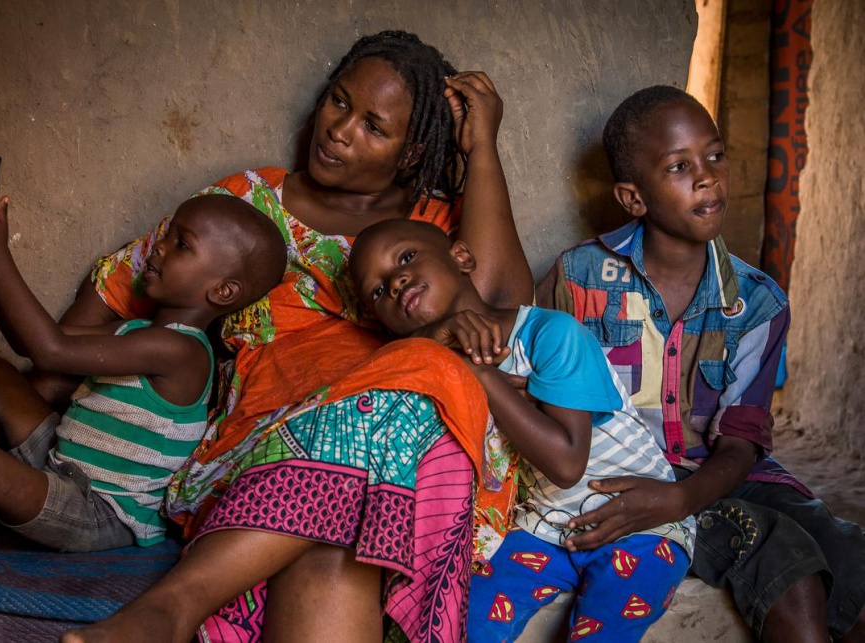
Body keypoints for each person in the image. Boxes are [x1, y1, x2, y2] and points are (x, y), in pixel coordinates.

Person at [57, 30, 532, 643]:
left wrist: (484, 150)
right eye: (339, 102)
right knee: (337, 540)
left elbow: (500, 314)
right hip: (268, 449)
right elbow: (104, 302)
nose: (340, 130)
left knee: (422, 370)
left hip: (412, 458)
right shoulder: (250, 207)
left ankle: (170, 609)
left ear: (412, 155)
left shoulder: (432, 228)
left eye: (374, 127)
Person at [536, 85, 865, 642]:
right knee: (786, 560)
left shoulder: (759, 302)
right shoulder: (578, 278)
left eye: (714, 156)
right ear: (633, 198)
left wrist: (682, 497)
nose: (707, 176)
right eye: (679, 166)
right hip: (622, 478)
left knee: (850, 553)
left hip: (722, 474)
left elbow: (740, 444)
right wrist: (664, 498)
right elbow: (534, 384)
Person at [349, 217, 694, 642]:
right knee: (462, 624)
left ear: (460, 257)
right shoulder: (424, 368)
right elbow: (368, 391)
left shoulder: (551, 334)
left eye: (406, 257)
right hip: (544, 528)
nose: (396, 282)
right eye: (379, 290)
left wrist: (483, 376)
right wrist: (436, 351)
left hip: (637, 519)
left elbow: (567, 463)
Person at [0, 187, 286, 554]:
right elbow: (32, 341)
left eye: (181, 244)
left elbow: (51, 351)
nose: (159, 247)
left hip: (100, 511)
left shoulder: (181, 351)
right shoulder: (139, 332)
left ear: (223, 292)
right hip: (62, 464)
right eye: (166, 236)